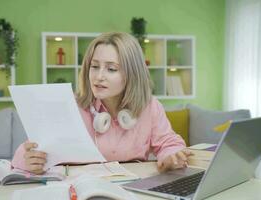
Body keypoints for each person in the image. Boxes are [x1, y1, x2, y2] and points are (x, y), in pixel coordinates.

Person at [12, 32, 192, 175]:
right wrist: (27, 160)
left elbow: (169, 142)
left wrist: (171, 155)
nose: (99, 76)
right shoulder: (70, 106)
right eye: (95, 66)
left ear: (132, 73)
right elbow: (29, 150)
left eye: (111, 69)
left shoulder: (150, 106)